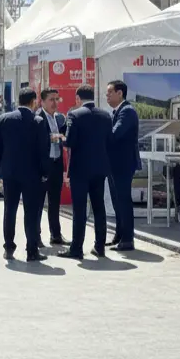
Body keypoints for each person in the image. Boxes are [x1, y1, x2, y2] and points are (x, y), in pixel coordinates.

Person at [0, 89, 50, 262]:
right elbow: (43, 150)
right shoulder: (38, 121)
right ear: (33, 101)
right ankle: (32, 250)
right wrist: (44, 172)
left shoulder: (4, 119)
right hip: (32, 174)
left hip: (10, 173)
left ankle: (9, 248)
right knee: (31, 212)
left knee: (9, 210)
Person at [59, 85, 111, 260]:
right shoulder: (105, 115)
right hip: (100, 168)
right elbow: (109, 140)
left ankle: (77, 249)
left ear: (77, 98)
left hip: (80, 169)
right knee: (99, 208)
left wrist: (60, 140)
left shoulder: (74, 115)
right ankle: (100, 247)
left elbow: (70, 141)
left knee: (79, 210)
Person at [105, 80, 142, 252]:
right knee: (117, 201)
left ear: (120, 93)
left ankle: (127, 239)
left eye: (110, 93)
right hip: (115, 163)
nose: (107, 96)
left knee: (123, 200)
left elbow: (115, 134)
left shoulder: (127, 111)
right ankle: (119, 235)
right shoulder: (117, 111)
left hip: (123, 163)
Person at [37, 88, 67, 246]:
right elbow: (41, 140)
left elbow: (63, 137)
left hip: (56, 164)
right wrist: (58, 137)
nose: (55, 103)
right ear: (42, 102)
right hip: (43, 166)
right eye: (51, 99)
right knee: (39, 203)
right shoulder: (38, 118)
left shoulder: (59, 118)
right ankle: (36, 236)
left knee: (55, 202)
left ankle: (56, 234)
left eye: (57, 99)